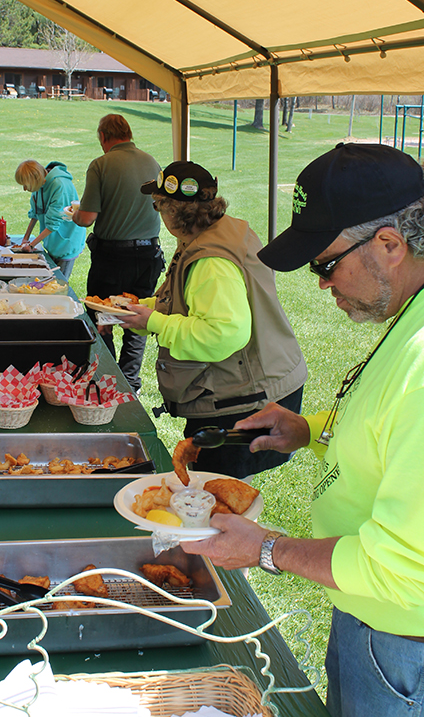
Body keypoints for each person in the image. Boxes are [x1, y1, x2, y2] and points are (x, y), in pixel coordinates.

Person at [183, 143, 424, 717]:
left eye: (326, 264)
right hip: (368, 617)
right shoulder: (410, 314)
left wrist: (263, 548)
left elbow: (406, 568)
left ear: (390, 245)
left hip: (403, 637)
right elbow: (388, 430)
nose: (322, 286)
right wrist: (309, 429)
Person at [121, 161, 307, 479]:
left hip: (245, 399)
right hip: (257, 386)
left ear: (171, 211)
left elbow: (223, 332)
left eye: (158, 205)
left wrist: (154, 321)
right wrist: (149, 308)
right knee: (221, 495)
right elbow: (197, 301)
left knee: (220, 496)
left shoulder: (211, 259)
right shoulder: (220, 231)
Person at [72, 114, 164, 393]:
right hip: (148, 254)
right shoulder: (152, 162)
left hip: (112, 257)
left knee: (102, 315)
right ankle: (130, 383)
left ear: (103, 136)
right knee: (137, 316)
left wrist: (75, 214)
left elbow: (87, 218)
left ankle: (106, 377)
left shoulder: (101, 164)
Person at [13, 159, 85, 280]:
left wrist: (31, 245)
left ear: (35, 179)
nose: (24, 189)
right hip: (53, 241)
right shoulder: (40, 184)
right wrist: (25, 239)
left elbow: (53, 224)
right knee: (47, 280)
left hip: (66, 242)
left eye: (26, 185)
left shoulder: (59, 185)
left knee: (58, 283)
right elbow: (35, 213)